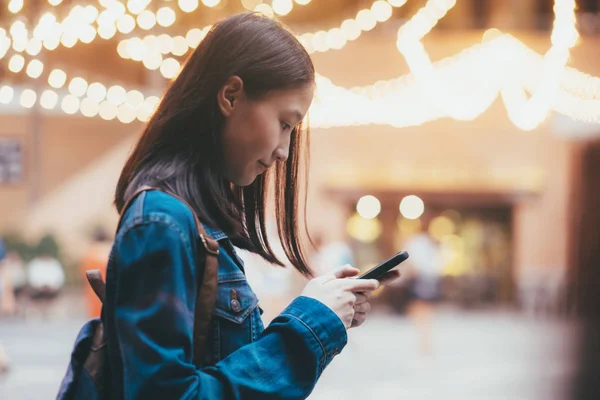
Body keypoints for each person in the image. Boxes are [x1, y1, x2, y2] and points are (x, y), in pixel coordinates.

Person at [102, 13, 401, 400]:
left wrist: (319, 311)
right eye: (284, 123)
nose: (284, 150)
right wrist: (308, 326)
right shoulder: (164, 223)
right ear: (230, 96)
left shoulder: (189, 221)